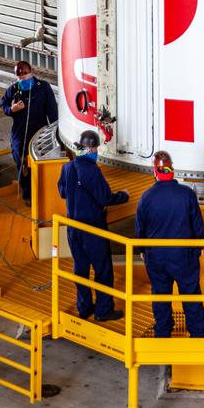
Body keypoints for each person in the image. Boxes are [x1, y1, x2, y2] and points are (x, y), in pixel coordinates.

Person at [135, 150, 204, 338]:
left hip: (156, 256)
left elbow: (140, 228)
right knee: (190, 294)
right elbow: (197, 225)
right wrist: (199, 247)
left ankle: (163, 332)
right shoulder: (187, 194)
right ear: (172, 171)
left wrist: (142, 250)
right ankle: (199, 333)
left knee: (161, 295)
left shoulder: (146, 197)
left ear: (155, 172)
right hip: (183, 255)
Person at [58, 130, 129, 322]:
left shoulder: (68, 168)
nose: (97, 151)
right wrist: (124, 195)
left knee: (80, 269)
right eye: (96, 148)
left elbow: (62, 192)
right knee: (102, 269)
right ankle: (103, 311)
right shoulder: (92, 170)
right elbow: (105, 197)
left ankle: (84, 308)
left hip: (73, 229)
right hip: (93, 229)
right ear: (91, 148)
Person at [0, 60, 57, 204]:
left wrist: (56, 130)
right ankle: (28, 194)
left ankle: (44, 191)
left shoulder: (43, 88)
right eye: (18, 75)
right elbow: (3, 105)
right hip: (19, 133)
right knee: (22, 163)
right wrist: (11, 110)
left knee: (41, 161)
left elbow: (52, 111)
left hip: (40, 131)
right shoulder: (13, 89)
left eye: (24, 74)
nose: (22, 78)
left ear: (31, 72)